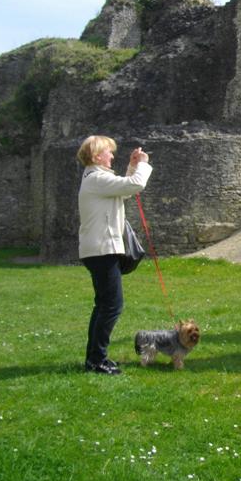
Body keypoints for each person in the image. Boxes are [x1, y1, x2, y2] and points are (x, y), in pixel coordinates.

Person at [77, 135, 152, 375]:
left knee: (104, 306)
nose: (112, 156)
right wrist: (142, 164)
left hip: (98, 250)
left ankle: (94, 358)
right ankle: (97, 361)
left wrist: (132, 166)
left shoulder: (97, 179)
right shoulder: (97, 178)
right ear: (97, 155)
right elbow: (135, 185)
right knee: (112, 306)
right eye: (109, 152)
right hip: (101, 251)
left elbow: (124, 189)